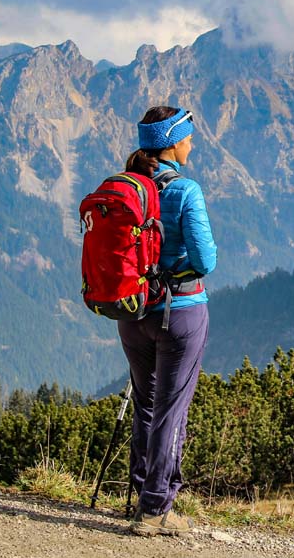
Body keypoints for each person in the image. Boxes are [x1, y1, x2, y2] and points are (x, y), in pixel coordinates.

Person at [120, 106, 217, 537]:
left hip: (133, 312)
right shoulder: (185, 191)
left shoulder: (127, 188)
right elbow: (205, 260)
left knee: (145, 403)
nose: (193, 144)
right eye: (189, 137)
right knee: (170, 411)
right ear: (173, 143)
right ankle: (156, 508)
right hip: (180, 313)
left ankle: (141, 491)